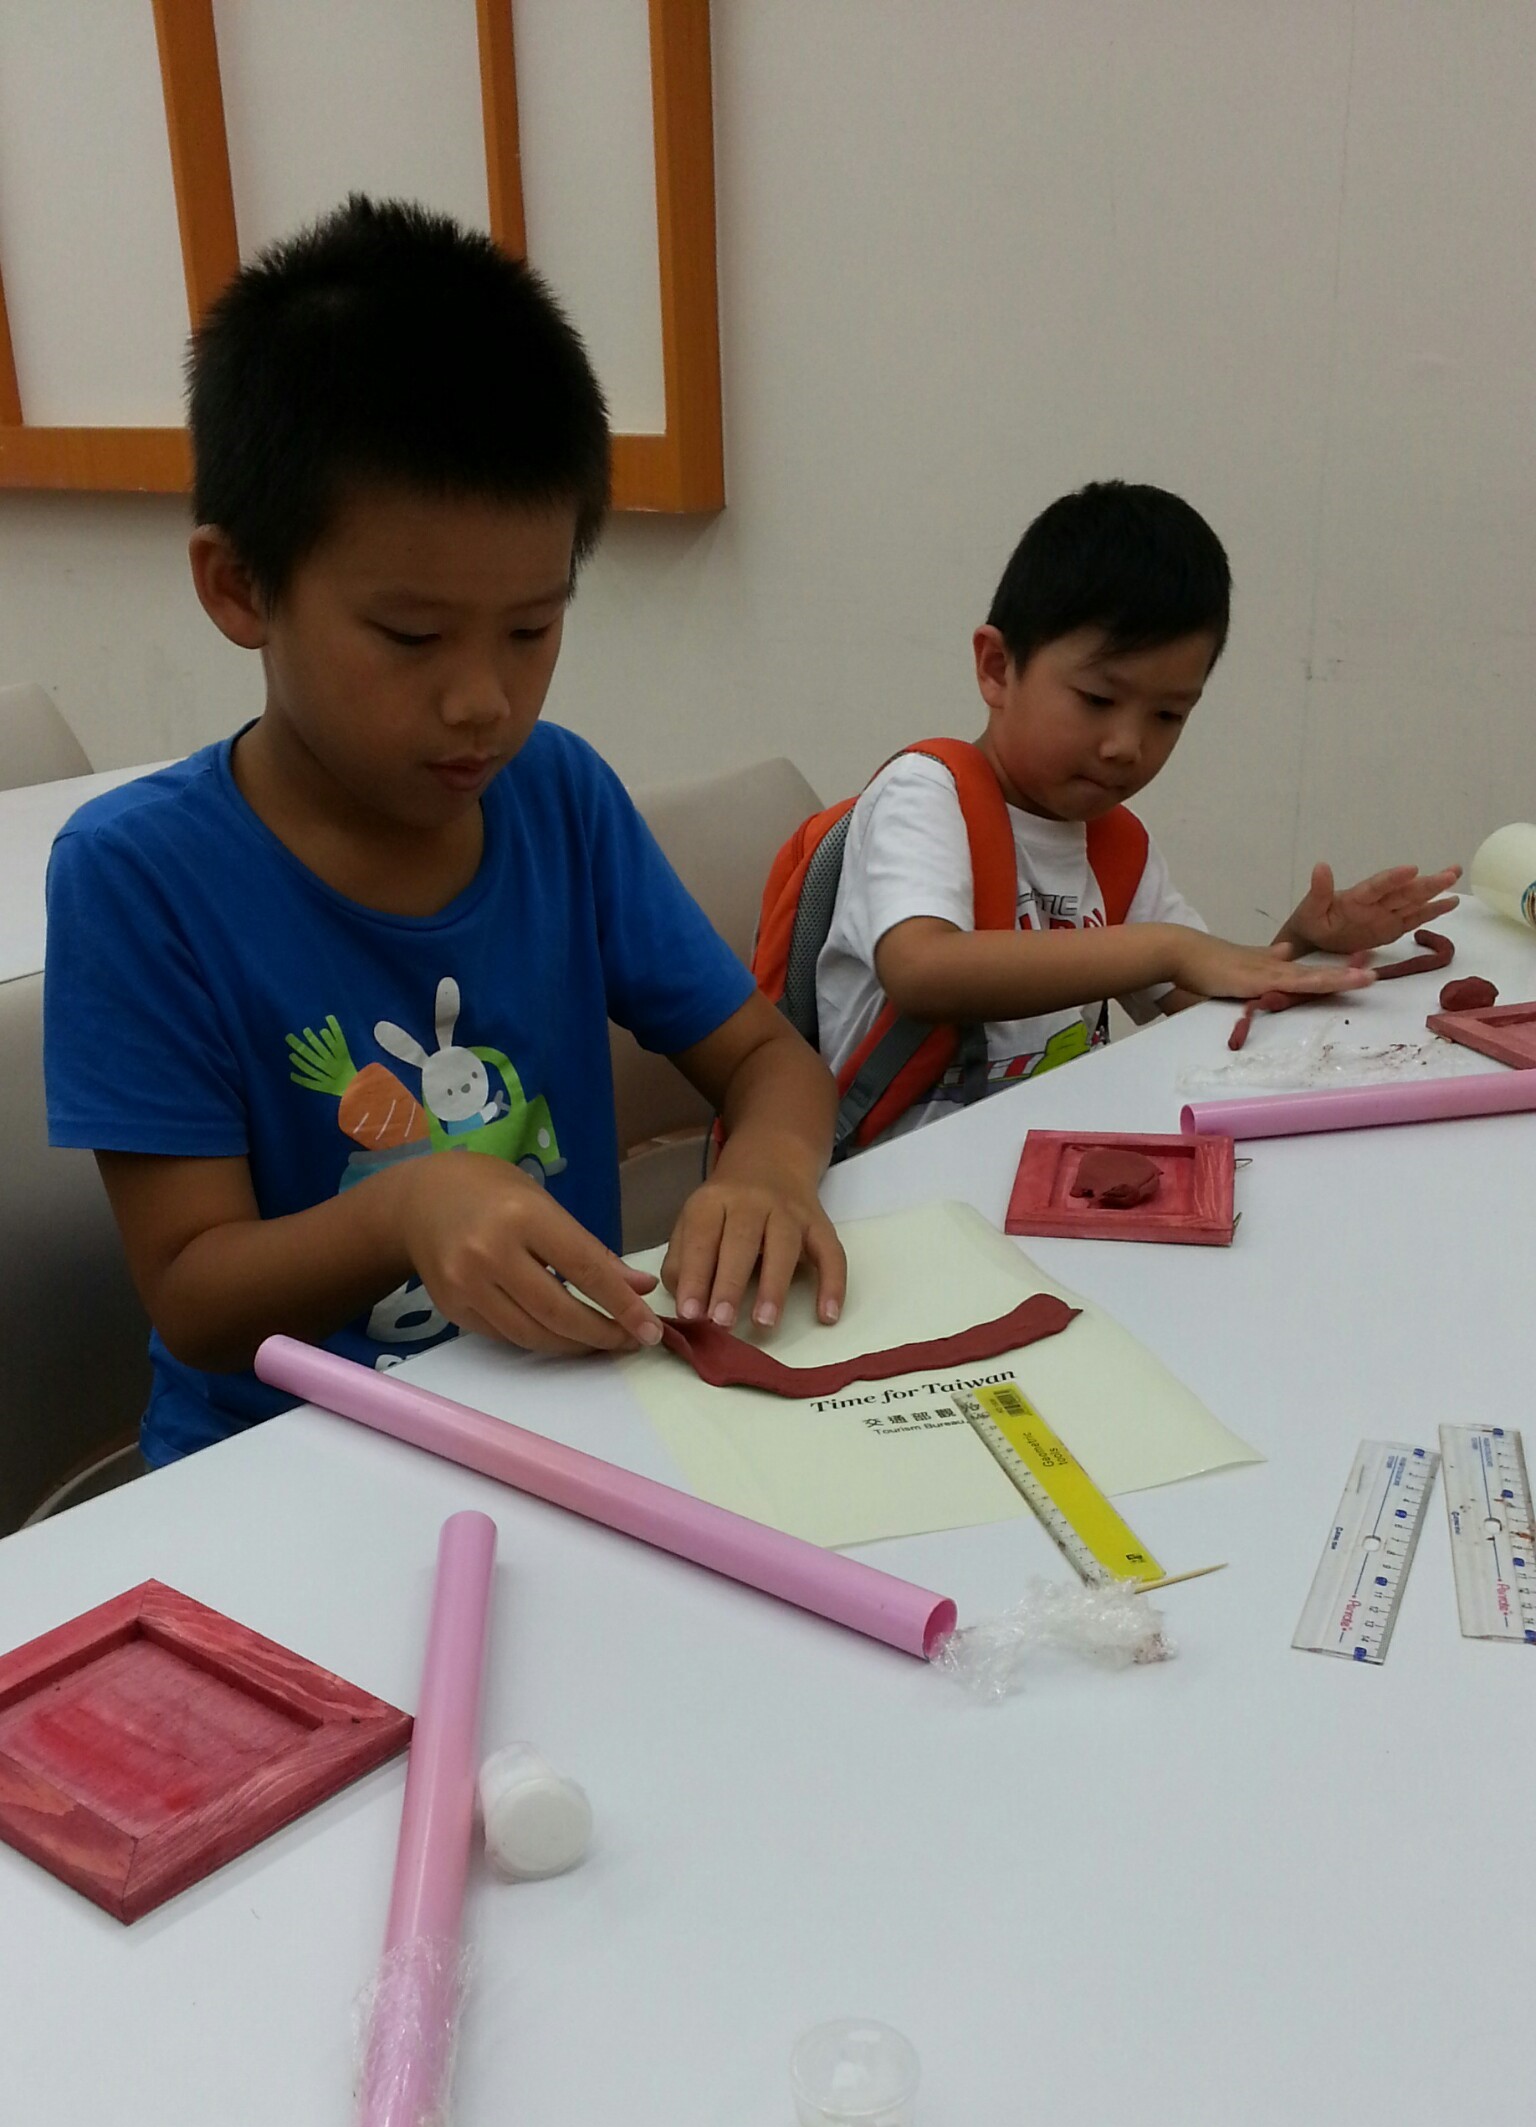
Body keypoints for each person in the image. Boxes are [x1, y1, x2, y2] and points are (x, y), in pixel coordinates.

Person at [45, 197, 845, 1467]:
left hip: (562, 1423)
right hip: (282, 1465)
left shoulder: (560, 798)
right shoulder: (140, 877)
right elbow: (192, 1296)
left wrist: (770, 1170)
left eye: (531, 629)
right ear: (240, 587)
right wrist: (401, 1206)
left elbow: (767, 1059)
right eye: (412, 637)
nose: (483, 700)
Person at [814, 481, 1458, 1139]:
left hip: (1043, 1160)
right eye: (1097, 699)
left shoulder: (1115, 847)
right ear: (998, 668)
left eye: (1168, 715)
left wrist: (1304, 941)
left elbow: (1202, 993)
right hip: (894, 1174)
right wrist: (1166, 948)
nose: (1128, 746)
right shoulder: (926, 796)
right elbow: (920, 970)